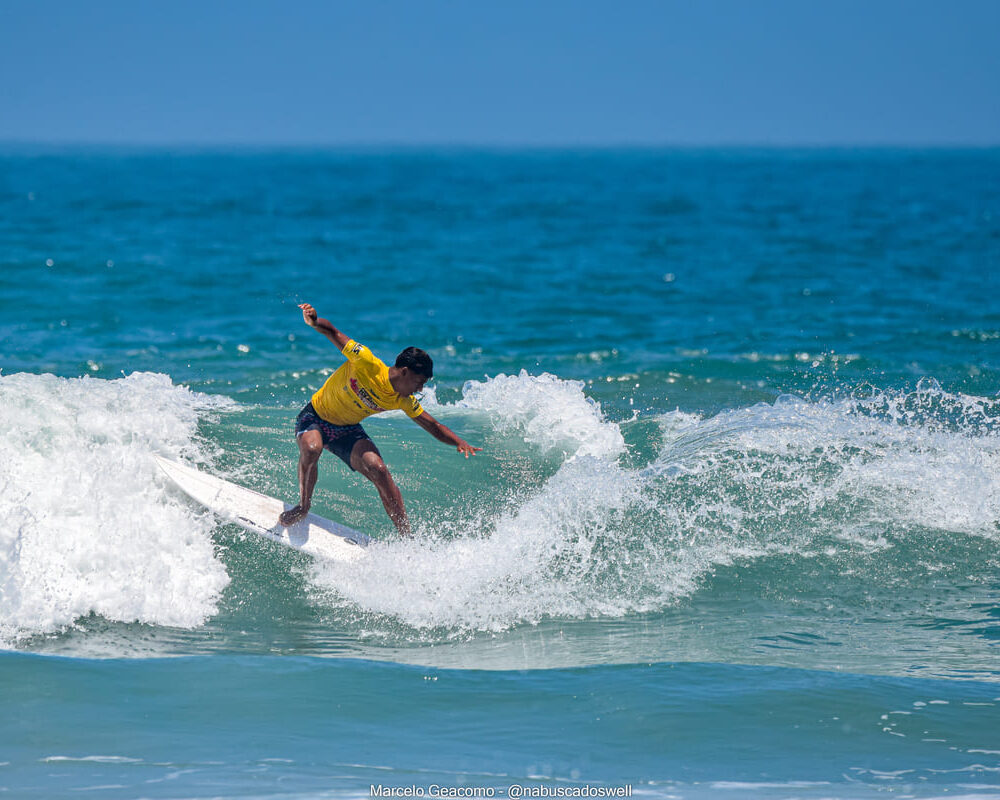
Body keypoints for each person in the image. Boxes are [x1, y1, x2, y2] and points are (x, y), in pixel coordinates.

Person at [280, 303, 481, 536]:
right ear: (404, 371)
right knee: (312, 449)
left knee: (380, 470)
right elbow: (333, 332)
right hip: (315, 416)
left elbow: (433, 425)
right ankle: (303, 506)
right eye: (419, 382)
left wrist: (459, 442)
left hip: (345, 430)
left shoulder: (402, 399)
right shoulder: (366, 362)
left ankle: (407, 536)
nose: (419, 389)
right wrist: (314, 322)